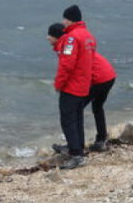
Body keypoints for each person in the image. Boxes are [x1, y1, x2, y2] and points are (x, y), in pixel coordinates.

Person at [48, 23, 116, 153]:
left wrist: (59, 84)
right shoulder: (73, 42)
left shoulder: (67, 45)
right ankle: (100, 139)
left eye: (49, 35)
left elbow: (68, 67)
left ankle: (75, 147)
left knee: (73, 112)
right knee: (96, 107)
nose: (47, 38)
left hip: (98, 78)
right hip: (109, 75)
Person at [52, 5, 96, 170]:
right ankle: (78, 148)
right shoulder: (89, 36)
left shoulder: (71, 38)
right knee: (78, 119)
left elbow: (67, 64)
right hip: (84, 85)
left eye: (64, 19)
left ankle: (76, 154)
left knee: (68, 120)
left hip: (72, 86)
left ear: (69, 19)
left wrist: (59, 83)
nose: (63, 22)